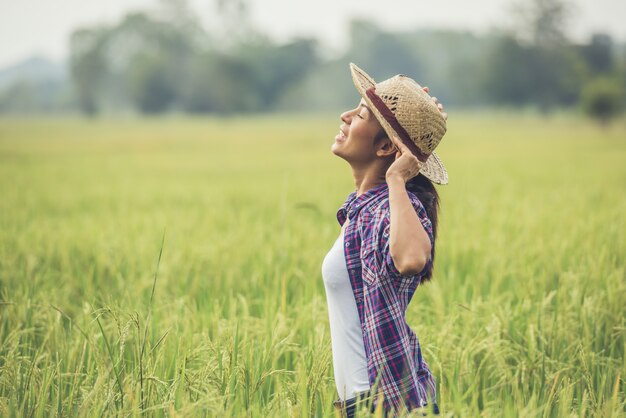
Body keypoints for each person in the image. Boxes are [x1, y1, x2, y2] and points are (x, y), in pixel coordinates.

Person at [321, 63, 448, 417]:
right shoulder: (361, 209)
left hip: (385, 402)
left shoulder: (393, 208)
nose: (345, 116)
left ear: (384, 148)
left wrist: (396, 180)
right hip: (361, 401)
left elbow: (411, 259)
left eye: (361, 114)